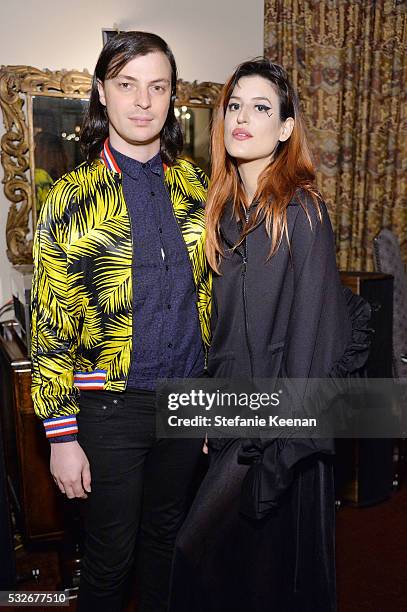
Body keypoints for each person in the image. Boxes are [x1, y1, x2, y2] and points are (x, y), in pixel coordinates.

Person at [169, 59, 371, 612]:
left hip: (278, 429)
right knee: (242, 575)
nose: (242, 117)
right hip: (233, 415)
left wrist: (276, 444)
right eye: (235, 105)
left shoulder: (302, 212)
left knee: (202, 557)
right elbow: (227, 335)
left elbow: (310, 340)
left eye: (261, 108)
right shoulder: (227, 212)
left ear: (285, 128)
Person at [30, 31, 211, 612]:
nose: (142, 101)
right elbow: (50, 327)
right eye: (127, 85)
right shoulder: (68, 198)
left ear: (171, 98)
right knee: (111, 559)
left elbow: (215, 304)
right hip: (109, 408)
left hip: (185, 402)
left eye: (157, 87)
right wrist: (60, 437)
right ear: (102, 95)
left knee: (168, 545)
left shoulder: (198, 188)